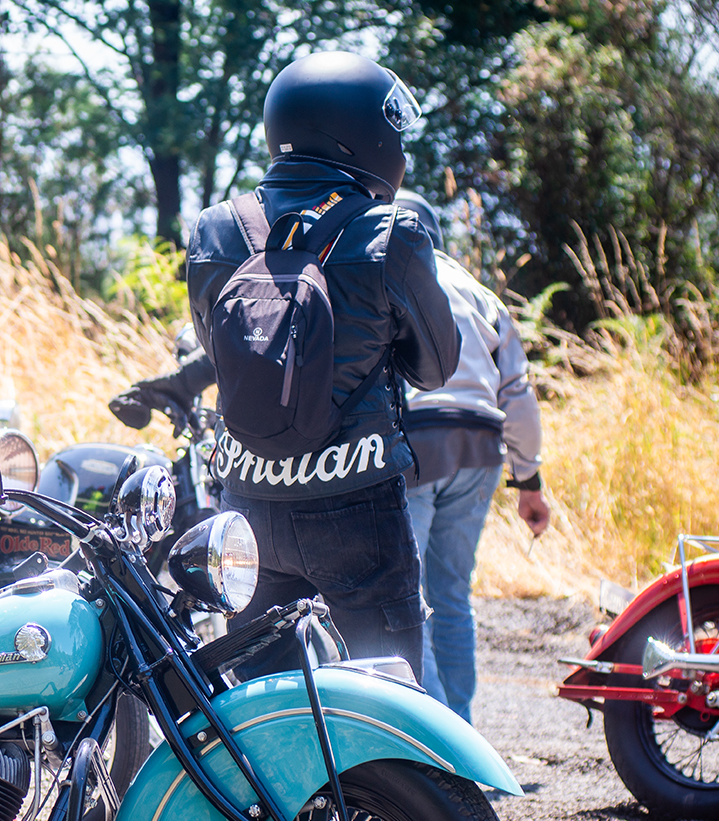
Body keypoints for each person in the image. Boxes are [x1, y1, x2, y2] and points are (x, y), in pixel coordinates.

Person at [182, 51, 460, 677]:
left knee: (262, 705)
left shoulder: (214, 230)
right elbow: (436, 368)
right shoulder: (391, 232)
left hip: (247, 501)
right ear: (359, 133)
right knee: (386, 700)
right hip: (355, 500)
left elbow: (221, 355)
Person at [394, 190, 550, 723]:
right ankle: (460, 724)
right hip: (482, 448)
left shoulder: (387, 276)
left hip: (416, 446)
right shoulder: (482, 294)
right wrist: (529, 481)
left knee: (406, 597)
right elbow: (518, 396)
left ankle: (435, 733)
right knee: (452, 595)